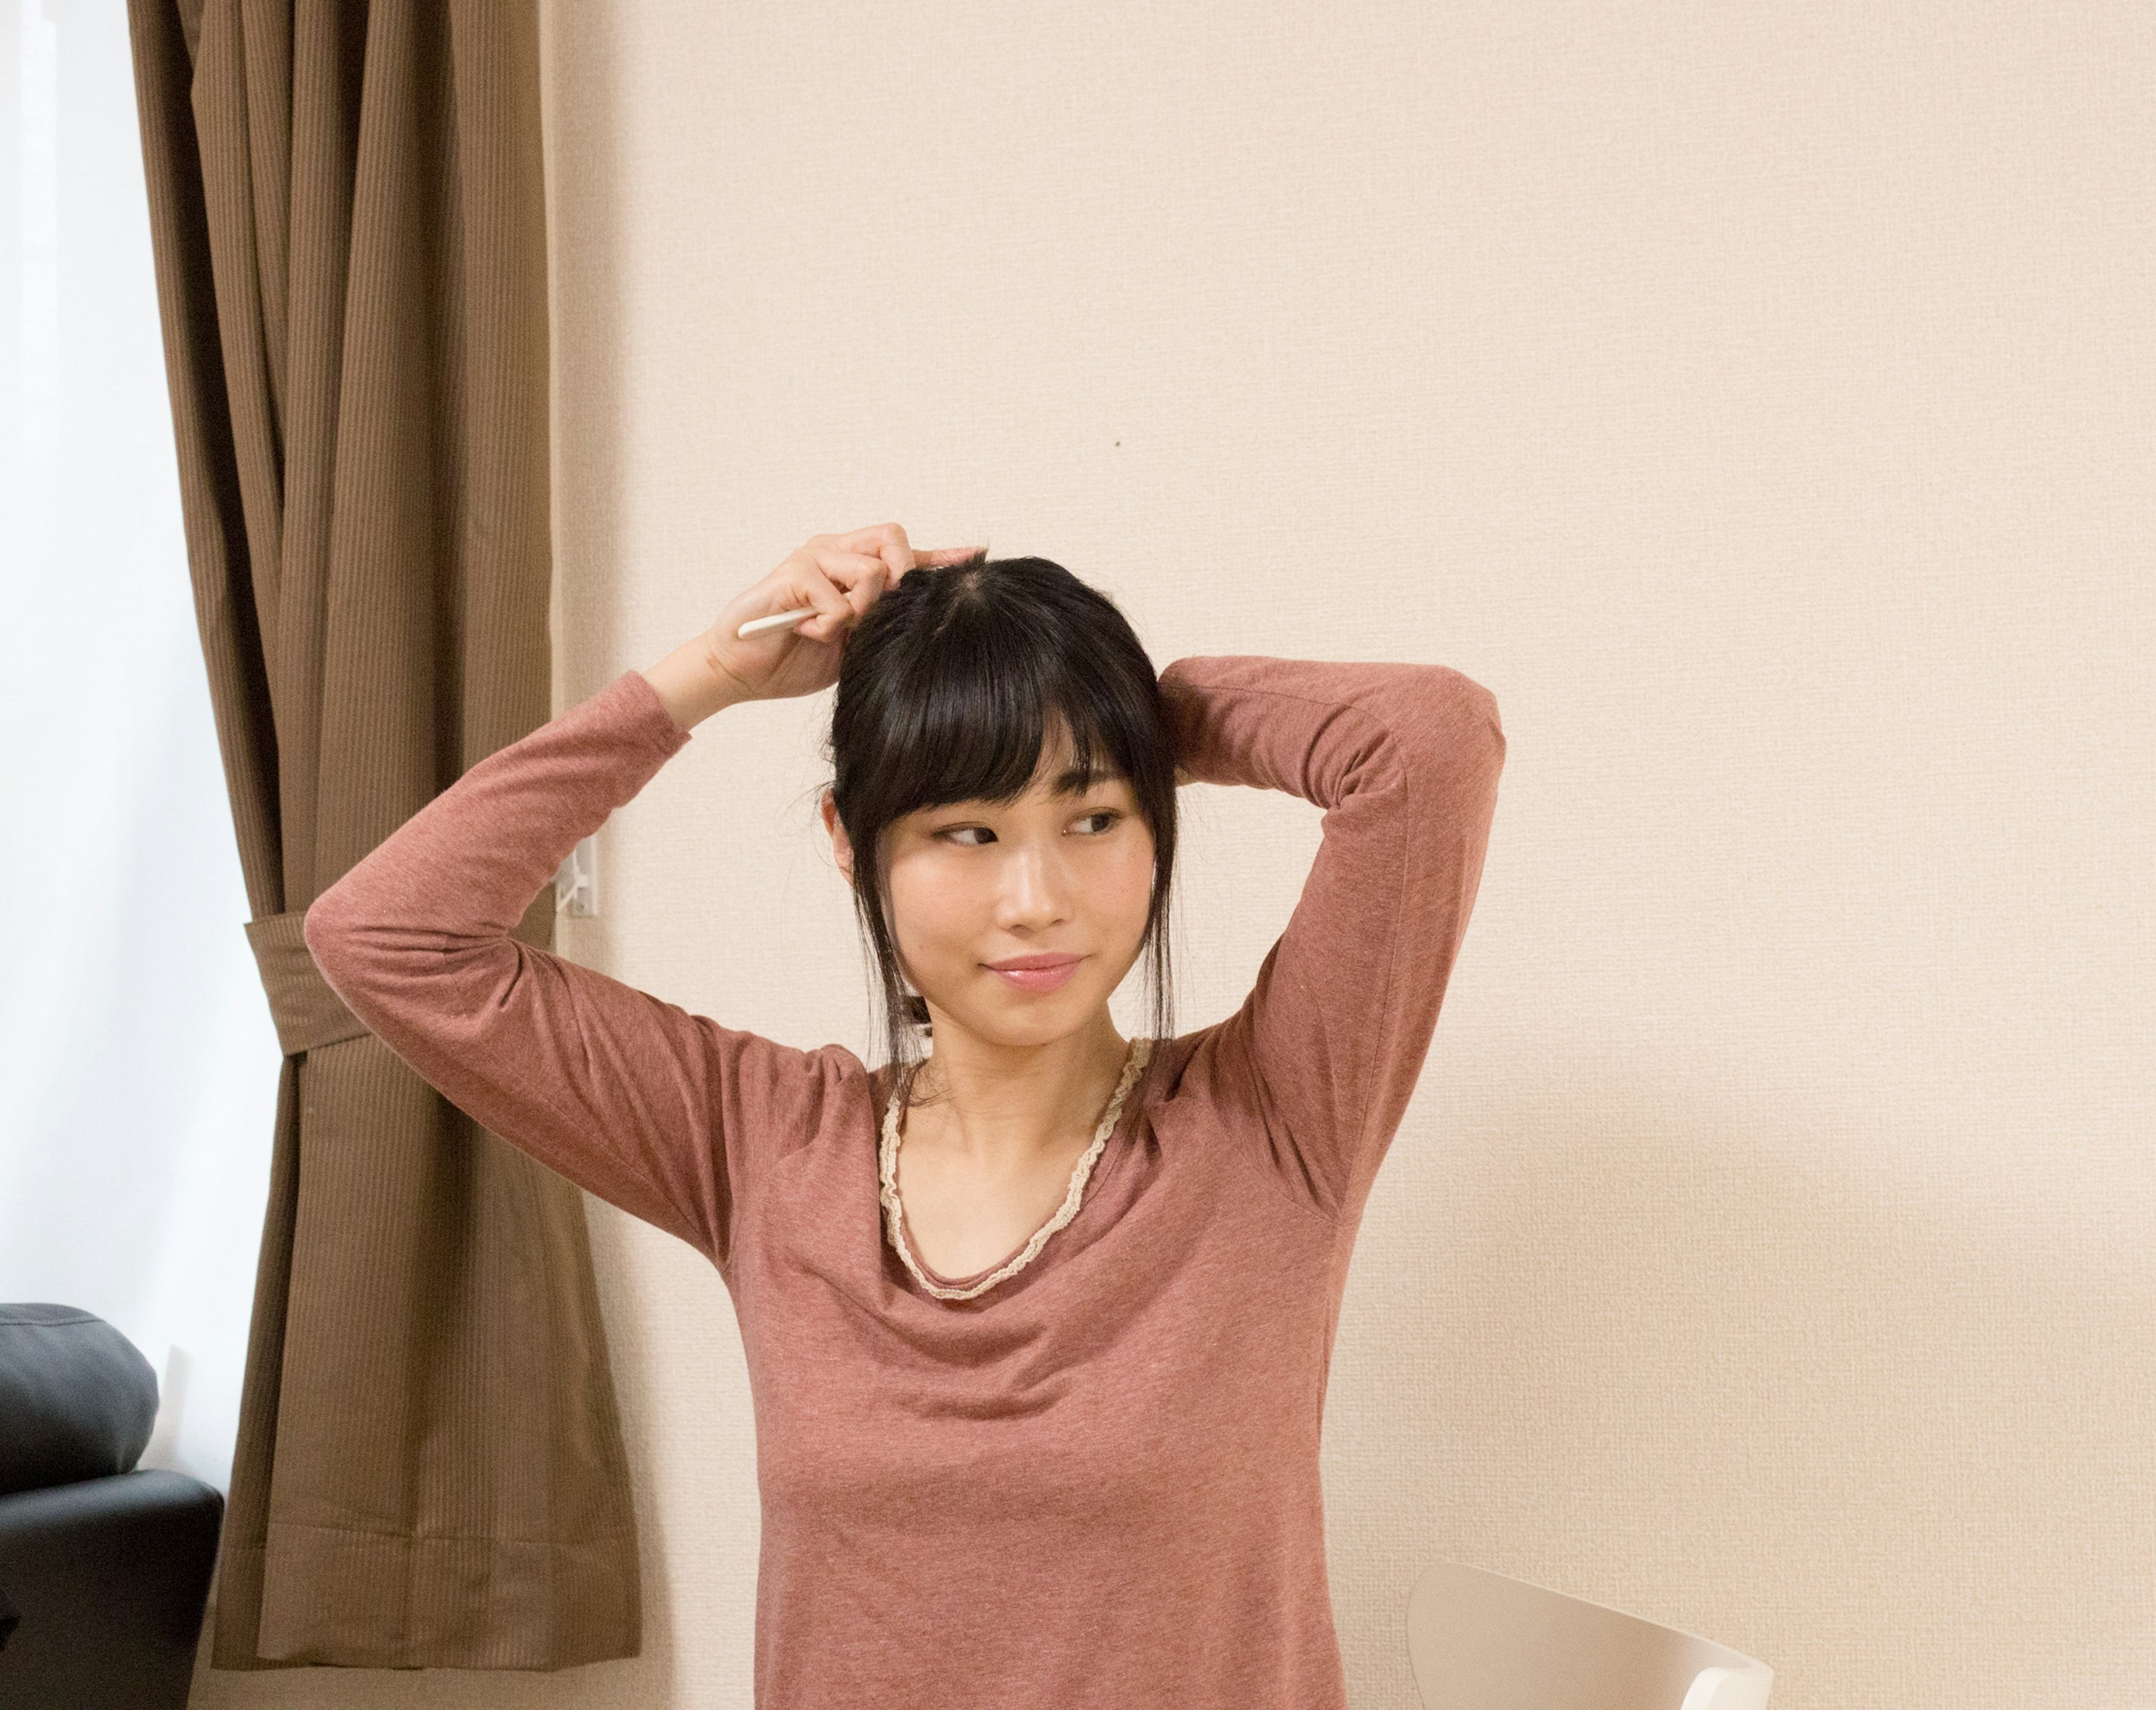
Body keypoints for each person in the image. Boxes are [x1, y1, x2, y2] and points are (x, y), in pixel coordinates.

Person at [300, 522, 1508, 1710]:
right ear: (852, 843)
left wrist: (1141, 710)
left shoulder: (1277, 1120)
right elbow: (388, 939)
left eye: (1095, 820)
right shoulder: (763, 1143)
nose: (1036, 899)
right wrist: (710, 676)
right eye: (966, 832)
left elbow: (1428, 739)